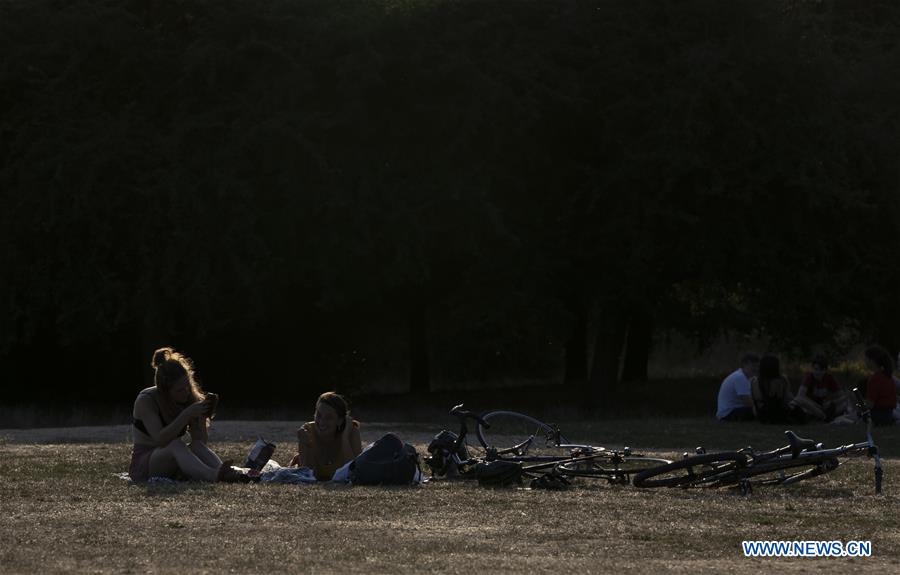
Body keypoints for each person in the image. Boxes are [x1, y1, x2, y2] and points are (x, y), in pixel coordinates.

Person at [130, 347, 246, 482]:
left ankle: (224, 473)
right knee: (176, 444)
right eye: (180, 390)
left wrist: (201, 418)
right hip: (145, 464)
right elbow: (160, 440)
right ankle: (213, 475)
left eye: (187, 386)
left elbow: (200, 442)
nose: (186, 392)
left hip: (172, 463)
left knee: (195, 446)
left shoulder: (188, 398)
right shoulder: (147, 400)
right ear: (165, 391)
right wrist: (186, 415)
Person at [289, 392, 363, 480]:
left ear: (340, 420)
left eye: (329, 417)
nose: (322, 422)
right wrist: (308, 445)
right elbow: (309, 476)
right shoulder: (307, 431)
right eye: (319, 415)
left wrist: (345, 438)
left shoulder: (352, 432)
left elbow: (354, 473)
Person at [791, 355, 848, 422]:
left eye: (820, 370)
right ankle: (824, 417)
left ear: (825, 370)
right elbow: (800, 396)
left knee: (844, 403)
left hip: (824, 406)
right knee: (798, 400)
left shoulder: (829, 378)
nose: (817, 372)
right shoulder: (809, 377)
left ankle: (821, 416)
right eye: (815, 369)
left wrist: (831, 402)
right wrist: (818, 406)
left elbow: (841, 395)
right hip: (811, 406)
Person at [750, 354, 802, 424]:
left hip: (763, 415)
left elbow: (757, 399)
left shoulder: (755, 381)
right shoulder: (782, 379)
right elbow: (788, 397)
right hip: (781, 412)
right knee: (800, 405)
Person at [716, 353, 759, 421]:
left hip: (732, 411)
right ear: (745, 364)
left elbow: (756, 397)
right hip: (727, 414)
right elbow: (747, 401)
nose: (756, 369)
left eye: (757, 366)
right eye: (753, 366)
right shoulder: (740, 377)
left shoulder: (750, 378)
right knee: (760, 410)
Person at [863, 346, 898, 426]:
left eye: (866, 359)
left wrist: (860, 405)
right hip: (888, 414)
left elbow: (870, 404)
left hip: (878, 415)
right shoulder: (888, 377)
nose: (864, 361)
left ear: (871, 361)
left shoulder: (875, 379)